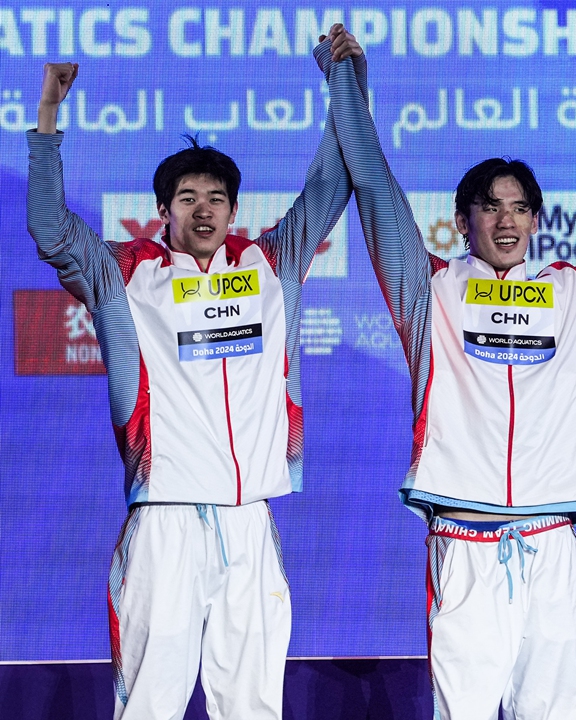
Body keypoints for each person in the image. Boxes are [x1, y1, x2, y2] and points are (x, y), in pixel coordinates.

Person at [316, 23, 576, 719]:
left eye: (519, 207)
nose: (506, 219)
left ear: (536, 221)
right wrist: (345, 77)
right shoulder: (428, 290)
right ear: (462, 221)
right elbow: (373, 182)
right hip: (463, 544)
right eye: (489, 206)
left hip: (552, 544)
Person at [26, 35, 368, 719]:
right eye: (187, 197)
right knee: (150, 702)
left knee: (252, 705)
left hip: (248, 523)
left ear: (234, 209)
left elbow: (333, 184)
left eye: (217, 196)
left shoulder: (273, 265)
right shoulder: (125, 274)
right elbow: (51, 229)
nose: (204, 208)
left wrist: (348, 81)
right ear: (165, 210)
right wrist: (46, 121)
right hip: (166, 523)